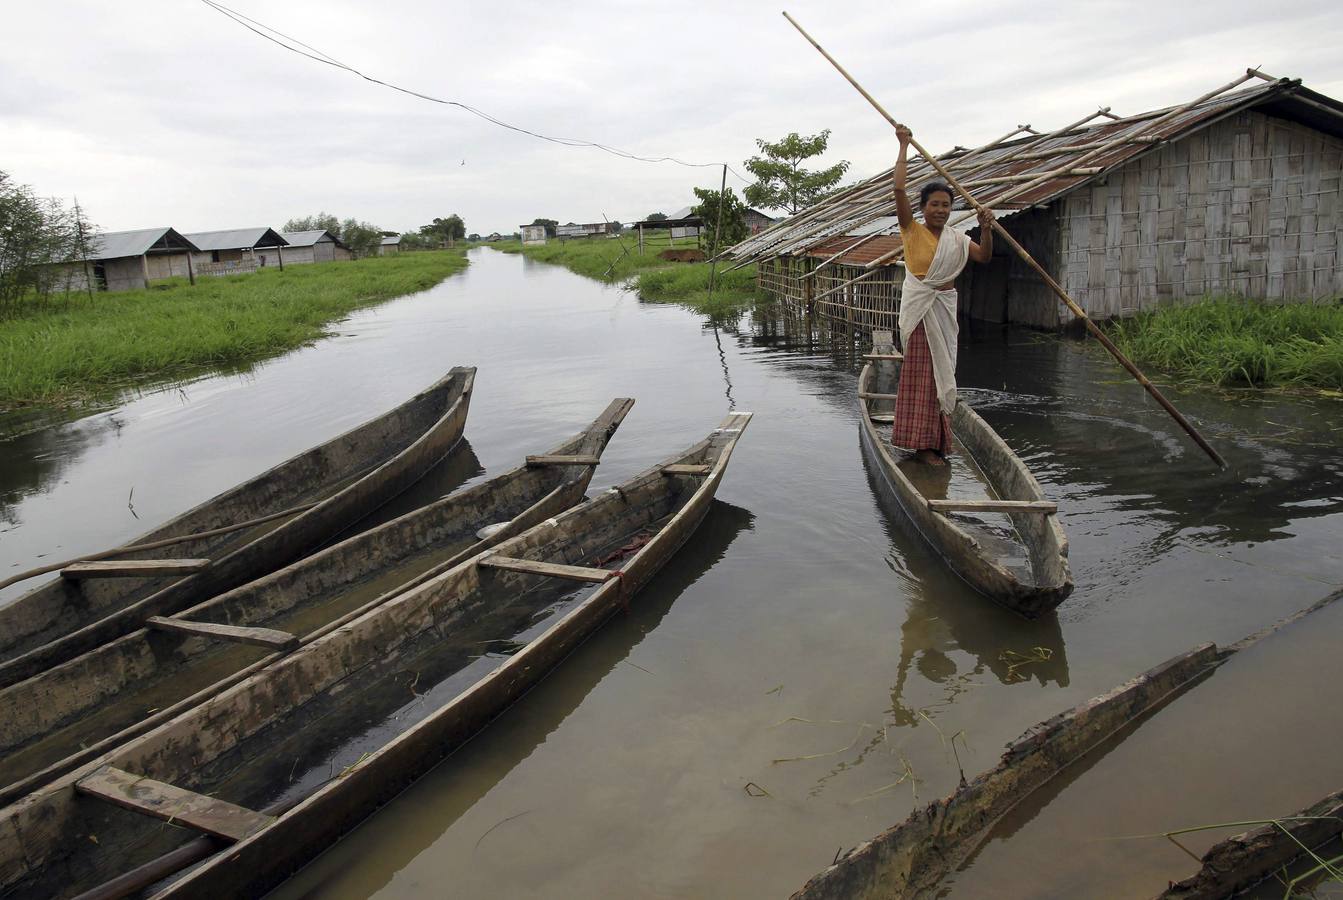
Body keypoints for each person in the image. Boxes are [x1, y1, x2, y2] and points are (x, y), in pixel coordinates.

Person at [891, 124, 995, 465]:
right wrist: (904, 146)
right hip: (921, 312)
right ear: (923, 208)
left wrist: (987, 228)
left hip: (944, 312)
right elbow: (899, 188)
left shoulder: (958, 238)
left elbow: (984, 257)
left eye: (946, 205)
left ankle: (938, 441)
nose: (940, 209)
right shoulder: (912, 230)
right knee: (923, 375)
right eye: (934, 204)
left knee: (943, 374)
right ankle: (921, 445)